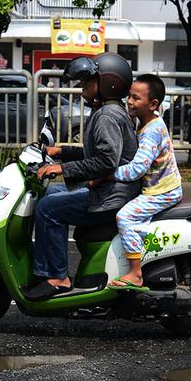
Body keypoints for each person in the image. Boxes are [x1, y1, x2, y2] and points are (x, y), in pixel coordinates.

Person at [26, 53, 140, 301]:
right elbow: (95, 154)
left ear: (108, 83)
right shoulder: (109, 111)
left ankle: (57, 277)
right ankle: (43, 266)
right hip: (110, 190)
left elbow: (106, 161)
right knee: (50, 193)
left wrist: (62, 169)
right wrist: (60, 152)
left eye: (88, 81)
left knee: (48, 208)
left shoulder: (107, 116)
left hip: (112, 197)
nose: (82, 87)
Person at [89, 74, 181, 290]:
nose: (129, 102)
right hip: (158, 187)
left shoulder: (152, 132)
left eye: (136, 98)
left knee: (125, 217)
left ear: (153, 104)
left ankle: (136, 273)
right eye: (129, 96)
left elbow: (136, 170)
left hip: (162, 192)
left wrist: (106, 175)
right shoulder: (146, 122)